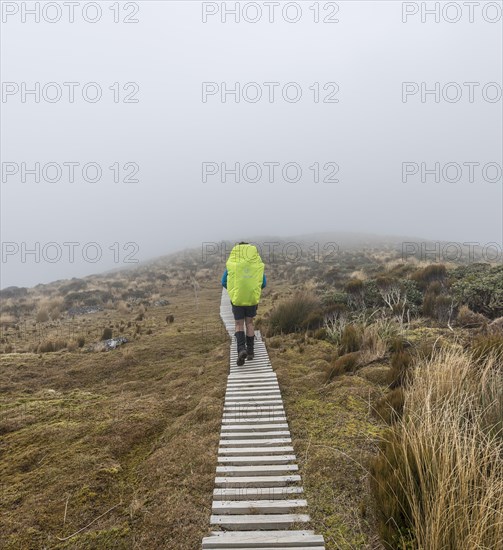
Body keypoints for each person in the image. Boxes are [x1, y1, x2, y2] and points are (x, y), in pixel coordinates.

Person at [221, 242, 266, 365]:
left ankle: (241, 349)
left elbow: (224, 281)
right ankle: (251, 352)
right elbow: (263, 283)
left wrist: (233, 290)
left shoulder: (233, 264)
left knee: (238, 325)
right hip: (251, 299)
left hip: (237, 300)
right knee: (250, 323)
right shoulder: (256, 264)